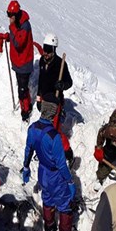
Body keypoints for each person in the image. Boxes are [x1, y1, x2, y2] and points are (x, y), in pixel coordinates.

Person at [22, 93, 76, 231]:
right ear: (53, 113)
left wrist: (26, 167)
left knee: (48, 198)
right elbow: (61, 164)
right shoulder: (54, 136)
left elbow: (28, 149)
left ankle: (50, 227)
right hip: (55, 175)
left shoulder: (32, 128)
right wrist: (70, 182)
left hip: (42, 172)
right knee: (65, 204)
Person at [36, 33, 74, 163]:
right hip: (45, 100)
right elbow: (40, 81)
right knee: (44, 127)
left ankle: (67, 152)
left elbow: (69, 82)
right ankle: (46, 150)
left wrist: (62, 85)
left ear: (53, 50)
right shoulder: (42, 61)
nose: (45, 52)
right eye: (44, 48)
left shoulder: (60, 64)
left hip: (56, 102)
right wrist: (38, 98)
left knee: (54, 130)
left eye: (48, 49)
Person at [0, 0, 35, 122]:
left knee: (22, 90)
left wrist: (12, 28)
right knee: (22, 87)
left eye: (10, 16)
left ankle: (25, 112)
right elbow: (15, 37)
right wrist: (7, 36)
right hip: (19, 62)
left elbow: (18, 43)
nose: (9, 18)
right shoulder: (19, 23)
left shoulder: (25, 25)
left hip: (24, 63)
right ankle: (27, 106)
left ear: (16, 15)